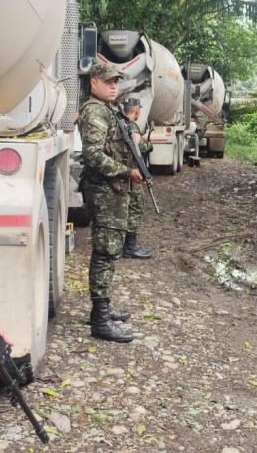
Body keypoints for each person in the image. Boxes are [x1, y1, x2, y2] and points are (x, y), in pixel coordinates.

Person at [78, 62, 145, 342]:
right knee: (105, 253)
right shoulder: (94, 111)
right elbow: (93, 155)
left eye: (116, 81)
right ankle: (100, 321)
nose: (114, 85)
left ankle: (101, 311)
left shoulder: (108, 110)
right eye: (108, 81)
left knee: (110, 252)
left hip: (113, 191)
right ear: (94, 82)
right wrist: (126, 171)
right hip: (105, 192)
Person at [120, 96, 153, 259]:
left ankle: (124, 245)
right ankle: (130, 247)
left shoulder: (120, 123)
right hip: (133, 174)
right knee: (135, 207)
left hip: (122, 173)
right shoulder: (131, 126)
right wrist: (148, 144)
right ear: (136, 111)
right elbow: (140, 147)